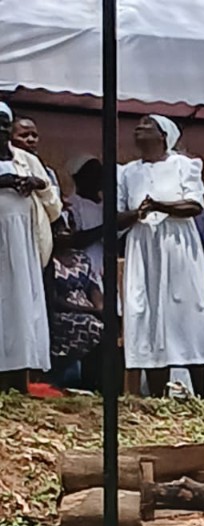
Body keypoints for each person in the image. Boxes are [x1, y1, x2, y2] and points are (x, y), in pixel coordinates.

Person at [117, 115, 204, 399]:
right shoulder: (127, 172)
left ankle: (200, 397)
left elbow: (194, 205)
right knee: (148, 314)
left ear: (164, 136)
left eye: (147, 124)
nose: (139, 127)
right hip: (143, 246)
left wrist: (160, 205)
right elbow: (118, 215)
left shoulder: (185, 165)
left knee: (186, 312)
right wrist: (137, 214)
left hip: (179, 245)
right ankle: (156, 398)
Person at [0, 101, 62, 390]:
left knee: (21, 307)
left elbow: (55, 209)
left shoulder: (27, 160)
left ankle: (19, 383)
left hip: (23, 245)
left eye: (4, 122)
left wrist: (39, 184)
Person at [47, 211, 103, 380]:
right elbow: (53, 299)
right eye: (60, 228)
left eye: (69, 226)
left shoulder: (81, 258)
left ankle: (99, 382)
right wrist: (89, 311)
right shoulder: (48, 261)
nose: (65, 231)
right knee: (93, 326)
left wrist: (100, 307)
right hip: (62, 314)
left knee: (107, 324)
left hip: (88, 310)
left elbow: (93, 286)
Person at [66, 155, 104, 279]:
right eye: (93, 173)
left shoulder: (106, 205)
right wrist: (107, 228)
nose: (99, 177)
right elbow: (74, 240)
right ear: (78, 178)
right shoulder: (72, 205)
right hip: (85, 268)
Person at [10, 116, 60, 193]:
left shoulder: (48, 172)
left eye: (34, 135)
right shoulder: (8, 167)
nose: (31, 140)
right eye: (23, 135)